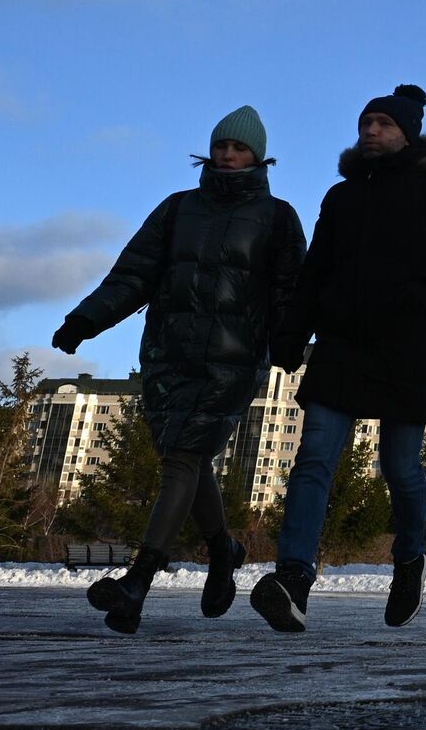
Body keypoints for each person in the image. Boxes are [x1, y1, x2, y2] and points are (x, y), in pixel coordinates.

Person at [51, 106, 306, 634]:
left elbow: (289, 292)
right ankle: (223, 548)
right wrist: (85, 320)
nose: (228, 155)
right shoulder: (177, 209)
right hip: (170, 355)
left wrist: (290, 345)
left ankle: (138, 581)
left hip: (233, 361)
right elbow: (133, 274)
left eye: (239, 148)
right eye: (221, 147)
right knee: (185, 460)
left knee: (183, 458)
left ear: (258, 155)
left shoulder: (278, 217)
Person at [251, 84, 426, 632]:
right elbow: (316, 274)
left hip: (408, 344)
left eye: (382, 123)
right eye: (365, 124)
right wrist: (292, 331)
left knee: (400, 467)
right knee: (313, 461)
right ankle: (293, 578)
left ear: (407, 131)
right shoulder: (342, 198)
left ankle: (409, 558)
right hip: (341, 346)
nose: (371, 132)